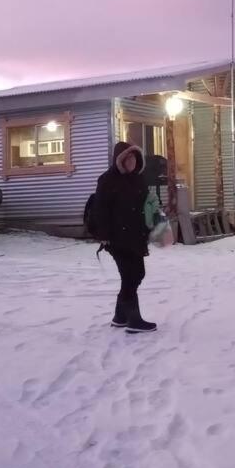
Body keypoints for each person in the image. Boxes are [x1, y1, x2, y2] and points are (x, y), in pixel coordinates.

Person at [91, 141, 157, 333]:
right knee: (130, 276)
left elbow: (147, 203)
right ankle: (134, 320)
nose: (132, 161)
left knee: (136, 274)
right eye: (128, 158)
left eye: (135, 157)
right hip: (116, 237)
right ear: (119, 159)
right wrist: (103, 234)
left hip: (136, 235)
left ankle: (120, 316)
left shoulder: (138, 178)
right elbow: (100, 209)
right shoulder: (108, 179)